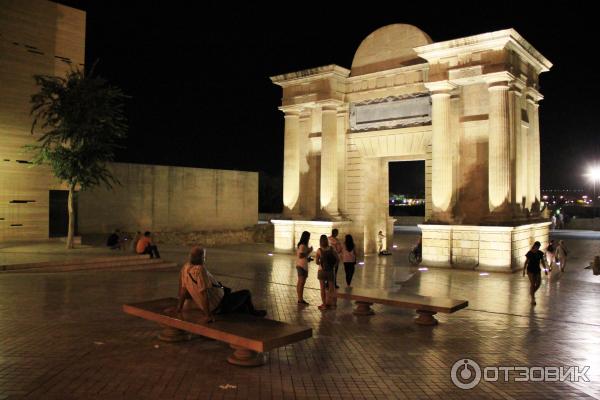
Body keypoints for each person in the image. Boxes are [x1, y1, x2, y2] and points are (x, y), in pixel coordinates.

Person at [175, 246, 266, 321]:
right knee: (246, 293)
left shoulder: (185, 268)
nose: (205, 259)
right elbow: (203, 294)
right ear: (202, 258)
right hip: (218, 305)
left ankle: (248, 314)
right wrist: (208, 315)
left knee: (233, 297)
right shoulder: (200, 270)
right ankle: (254, 313)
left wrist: (179, 308)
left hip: (219, 299)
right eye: (204, 257)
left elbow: (183, 290)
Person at [316, 234, 339, 310]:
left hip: (321, 271)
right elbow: (337, 259)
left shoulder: (319, 250)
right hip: (330, 271)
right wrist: (333, 266)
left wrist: (321, 261)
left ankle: (324, 305)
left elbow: (316, 262)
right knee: (331, 288)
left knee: (322, 288)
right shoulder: (332, 249)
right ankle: (331, 304)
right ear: (327, 240)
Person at [522, 241, 548, 305]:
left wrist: (545, 270)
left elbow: (542, 262)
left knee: (538, 283)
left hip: (537, 269)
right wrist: (524, 270)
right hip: (530, 270)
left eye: (539, 246)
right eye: (538, 246)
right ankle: (533, 299)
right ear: (535, 246)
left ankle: (532, 292)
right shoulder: (530, 253)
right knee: (533, 283)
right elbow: (526, 262)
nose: (538, 247)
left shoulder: (540, 253)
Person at [295, 231, 313, 305]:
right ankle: (300, 299)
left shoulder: (302, 245)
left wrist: (308, 259)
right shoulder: (302, 245)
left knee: (301, 283)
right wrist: (309, 251)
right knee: (301, 283)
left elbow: (303, 256)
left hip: (302, 265)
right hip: (301, 266)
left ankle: (300, 299)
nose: (309, 238)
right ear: (306, 237)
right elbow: (301, 255)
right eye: (308, 237)